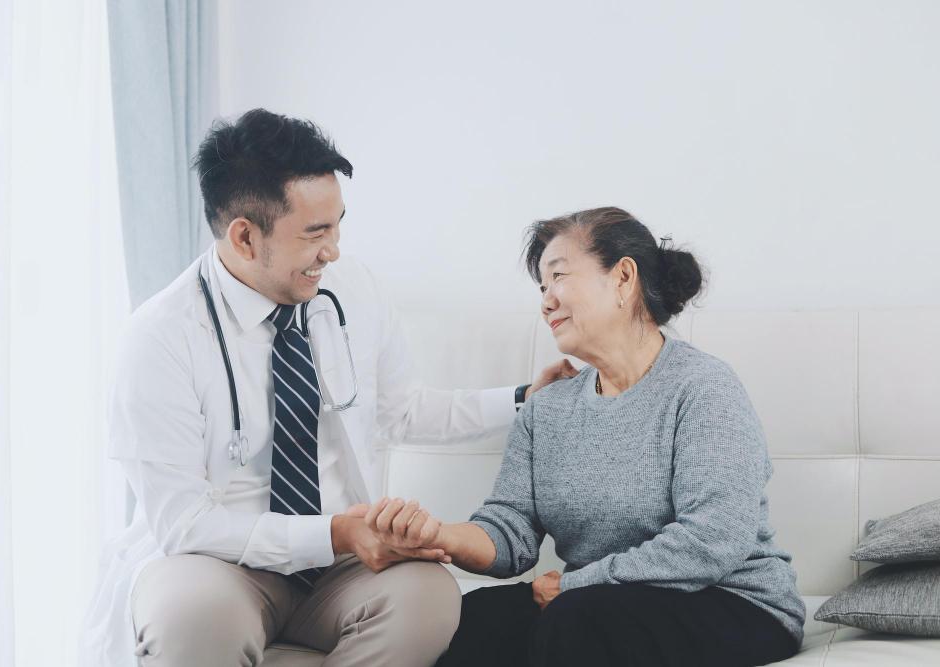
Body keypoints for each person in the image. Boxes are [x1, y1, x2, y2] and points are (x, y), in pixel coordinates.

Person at [80, 108, 574, 667]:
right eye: (315, 233)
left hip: (340, 568)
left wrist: (522, 400)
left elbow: (403, 410)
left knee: (428, 597)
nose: (333, 249)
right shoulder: (159, 338)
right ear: (245, 237)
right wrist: (336, 532)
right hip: (215, 562)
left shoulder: (351, 289)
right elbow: (185, 524)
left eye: (337, 225)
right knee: (192, 617)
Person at [364, 207, 806, 667]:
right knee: (479, 616)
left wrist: (576, 583)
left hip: (731, 602)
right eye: (541, 287)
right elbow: (510, 530)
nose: (546, 302)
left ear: (623, 278)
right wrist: (440, 535)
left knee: (578, 619)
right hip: (600, 603)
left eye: (558, 276)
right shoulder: (547, 408)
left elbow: (712, 540)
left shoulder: (703, 388)